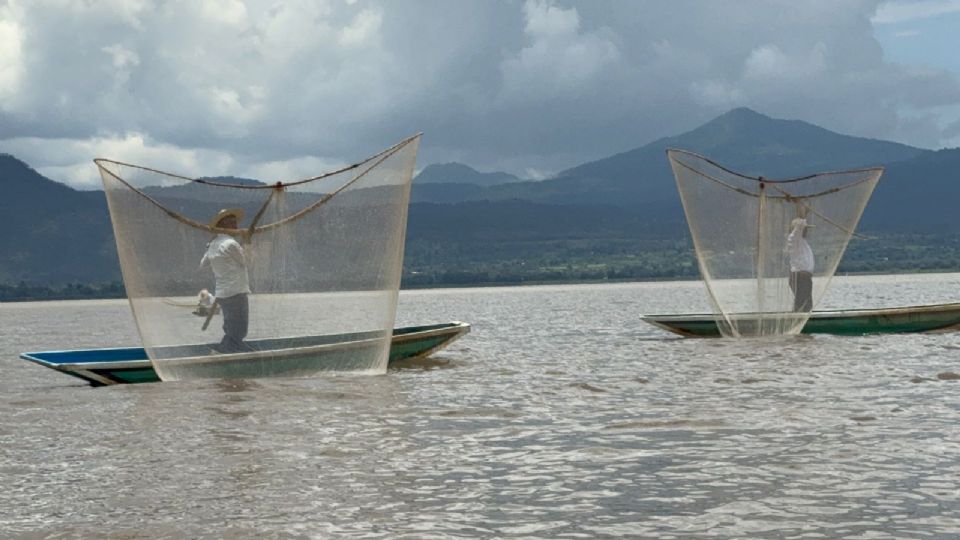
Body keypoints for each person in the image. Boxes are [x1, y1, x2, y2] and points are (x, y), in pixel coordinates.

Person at [200, 208, 252, 352]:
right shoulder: (231, 243)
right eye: (232, 223)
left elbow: (203, 264)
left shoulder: (213, 244)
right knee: (239, 328)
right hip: (236, 291)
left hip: (223, 293)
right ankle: (229, 350)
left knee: (231, 325)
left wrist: (209, 248)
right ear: (224, 225)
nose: (235, 225)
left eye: (235, 222)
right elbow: (246, 261)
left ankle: (228, 347)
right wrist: (247, 242)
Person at [786, 217, 814, 312]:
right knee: (803, 304)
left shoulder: (802, 242)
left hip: (804, 278)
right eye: (804, 229)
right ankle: (797, 320)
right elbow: (797, 230)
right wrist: (801, 218)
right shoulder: (793, 240)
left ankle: (799, 318)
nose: (806, 231)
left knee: (806, 304)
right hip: (799, 277)